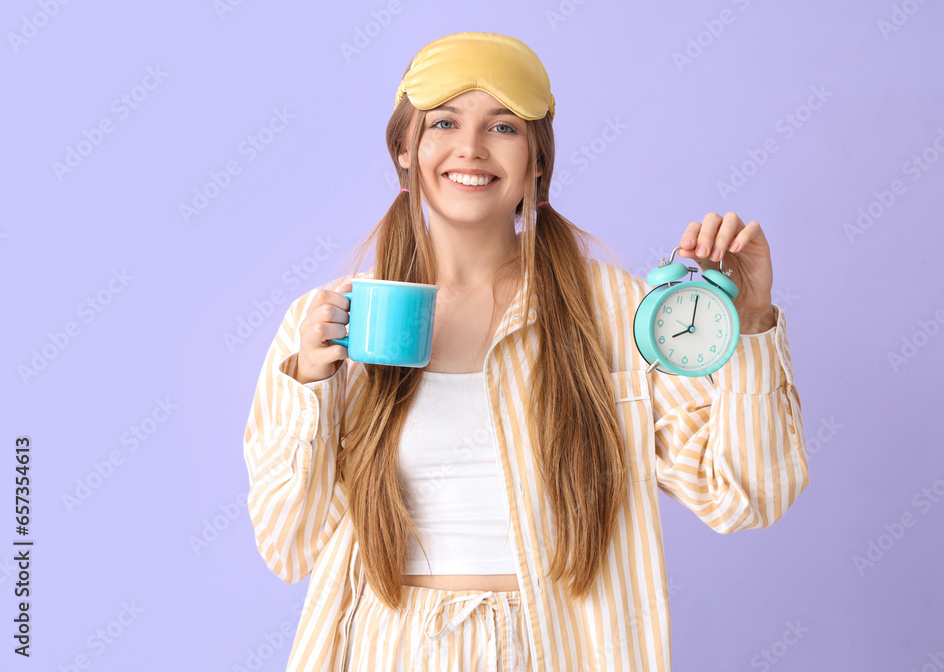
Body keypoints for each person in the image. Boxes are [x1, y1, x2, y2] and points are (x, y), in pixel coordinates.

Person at [243, 31, 808, 672]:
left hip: (558, 651)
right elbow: (288, 547)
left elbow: (742, 496)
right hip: (386, 649)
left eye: (504, 127)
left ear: (538, 161)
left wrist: (753, 321)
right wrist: (312, 384)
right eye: (445, 122)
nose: (471, 148)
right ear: (405, 150)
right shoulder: (329, 324)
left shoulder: (612, 310)